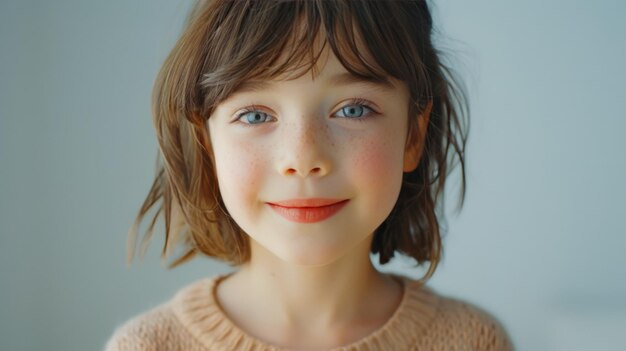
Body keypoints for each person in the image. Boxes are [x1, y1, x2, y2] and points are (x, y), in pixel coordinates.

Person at [105, 0, 513, 350]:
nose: (303, 158)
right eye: (255, 115)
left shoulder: (472, 341)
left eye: (353, 109)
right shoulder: (148, 345)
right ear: (206, 144)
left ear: (413, 136)